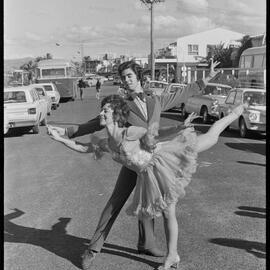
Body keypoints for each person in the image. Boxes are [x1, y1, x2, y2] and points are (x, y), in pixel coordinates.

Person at [48, 60, 220, 270]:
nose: (126, 81)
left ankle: (146, 244)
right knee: (115, 202)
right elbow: (95, 123)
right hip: (133, 160)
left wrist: (206, 79)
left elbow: (181, 94)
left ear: (139, 77)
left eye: (129, 76)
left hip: (155, 159)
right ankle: (92, 249)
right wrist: (65, 133)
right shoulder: (121, 104)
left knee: (150, 201)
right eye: (123, 78)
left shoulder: (155, 100)